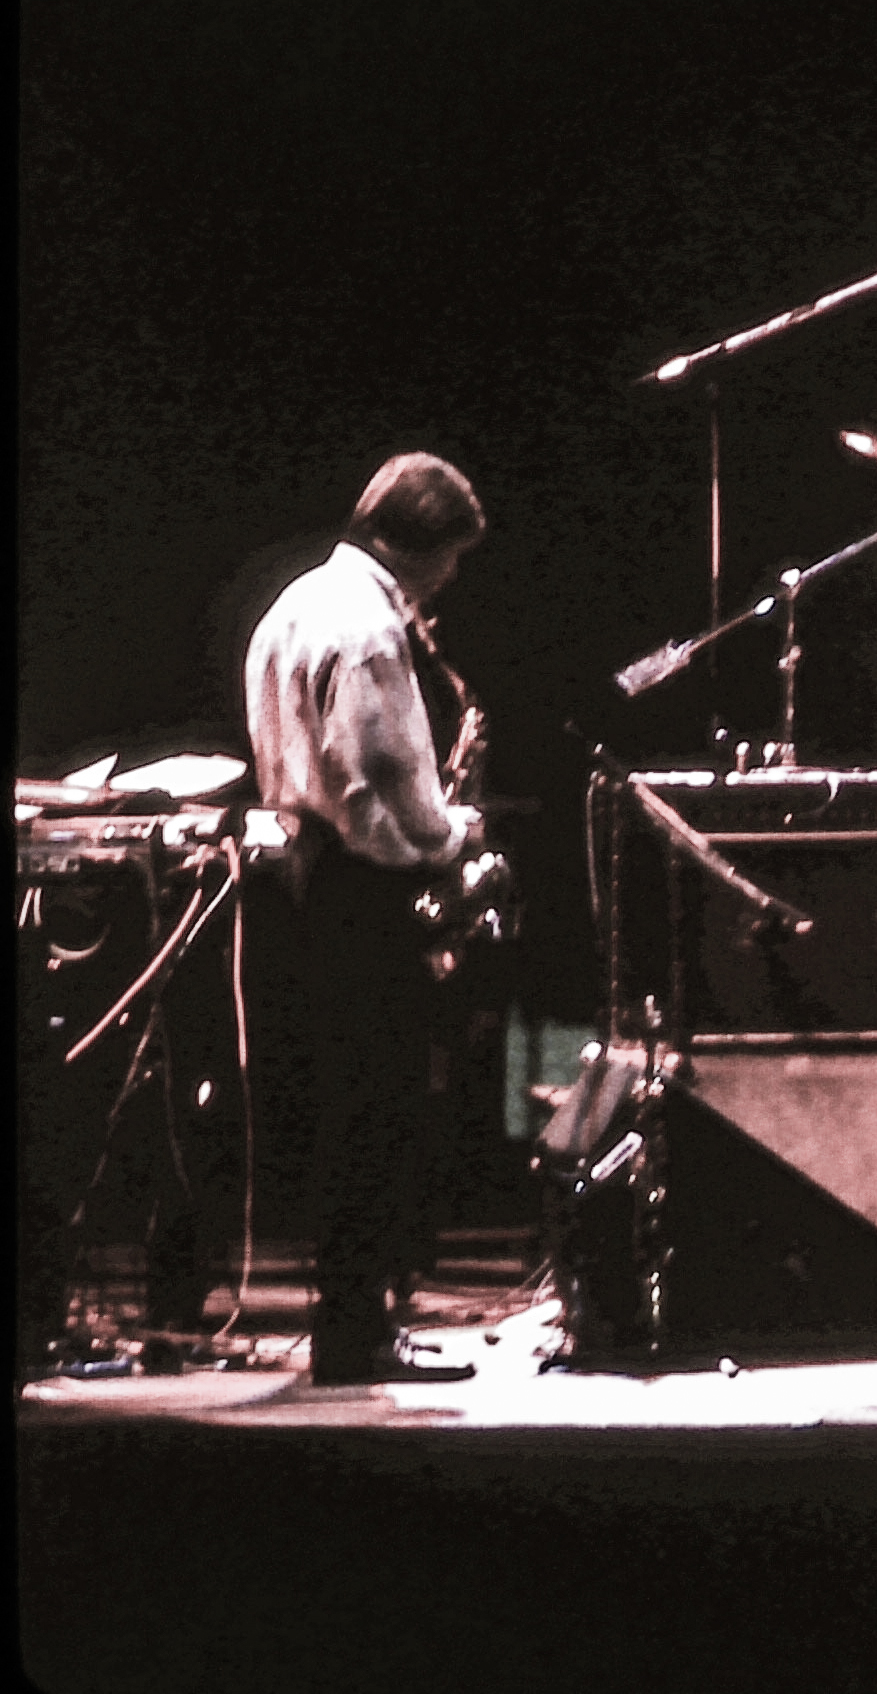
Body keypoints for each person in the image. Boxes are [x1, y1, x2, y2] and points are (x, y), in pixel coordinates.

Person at [244, 452, 489, 1386]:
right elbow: (385, 782)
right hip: (364, 890)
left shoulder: (295, 604)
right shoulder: (371, 631)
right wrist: (455, 835)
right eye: (452, 556)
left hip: (302, 875)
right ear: (417, 544)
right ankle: (359, 1334)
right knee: (379, 1115)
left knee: (341, 1110)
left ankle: (353, 1323)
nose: (452, 577)